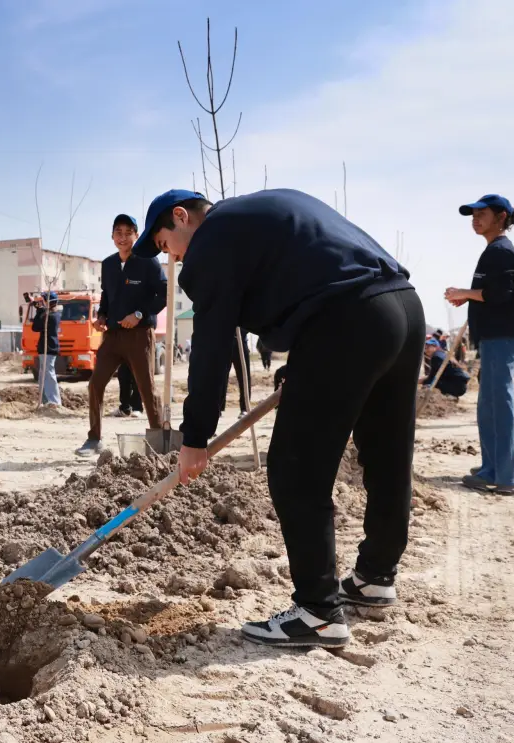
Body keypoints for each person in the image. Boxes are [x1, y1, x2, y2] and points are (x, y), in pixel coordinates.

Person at [134, 187, 422, 648]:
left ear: (182, 217)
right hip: (401, 308)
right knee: (387, 454)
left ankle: (318, 613)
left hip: (347, 320)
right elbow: (309, 282)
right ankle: (374, 577)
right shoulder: (256, 215)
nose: (173, 257)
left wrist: (195, 437)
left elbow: (212, 343)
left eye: (167, 244)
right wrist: (305, 363)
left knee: (295, 467)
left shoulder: (212, 241)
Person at [446, 194, 514, 496]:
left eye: (483, 213)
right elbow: (496, 292)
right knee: (489, 405)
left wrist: (465, 292)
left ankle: (504, 476)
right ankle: (491, 467)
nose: (475, 218)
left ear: (502, 216)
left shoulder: (501, 250)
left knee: (498, 405)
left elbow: (502, 294)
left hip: (501, 335)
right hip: (496, 335)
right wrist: (468, 295)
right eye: (473, 214)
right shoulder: (496, 250)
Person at [77, 214, 166, 455]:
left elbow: (164, 295)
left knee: (147, 389)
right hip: (113, 337)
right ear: (112, 236)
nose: (123, 237)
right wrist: (102, 316)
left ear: (136, 236)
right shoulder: (108, 264)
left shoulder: (149, 262)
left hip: (139, 336)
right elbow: (107, 295)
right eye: (119, 232)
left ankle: (159, 442)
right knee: (95, 384)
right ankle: (94, 438)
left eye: (129, 232)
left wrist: (139, 314)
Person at [31, 291, 62, 406]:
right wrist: (40, 310)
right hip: (46, 347)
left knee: (49, 374)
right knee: (42, 376)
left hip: (48, 348)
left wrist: (39, 311)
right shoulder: (51, 314)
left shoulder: (52, 316)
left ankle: (54, 401)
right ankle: (45, 400)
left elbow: (35, 327)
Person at [221, 330, 253, 417]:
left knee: (244, 378)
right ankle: (218, 408)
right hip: (224, 344)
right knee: (220, 377)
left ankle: (245, 408)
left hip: (241, 343)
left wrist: (238, 333)